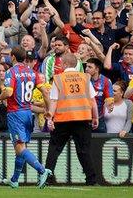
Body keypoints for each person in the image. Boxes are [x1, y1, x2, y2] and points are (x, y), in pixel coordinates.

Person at [0, 46, 52, 189]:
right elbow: (45, 91)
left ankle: (42, 171)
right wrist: (48, 110)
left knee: (19, 148)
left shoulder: (11, 72)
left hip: (15, 113)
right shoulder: (32, 72)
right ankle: (14, 179)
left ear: (12, 57)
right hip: (28, 114)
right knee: (20, 147)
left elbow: (8, 92)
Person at [45, 53, 98, 186]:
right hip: (82, 119)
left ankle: (47, 179)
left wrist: (50, 117)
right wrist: (95, 117)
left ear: (65, 64)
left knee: (54, 149)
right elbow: (93, 101)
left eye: (61, 63)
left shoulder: (58, 79)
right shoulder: (85, 77)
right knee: (84, 150)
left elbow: (54, 101)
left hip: (63, 120)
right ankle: (91, 180)